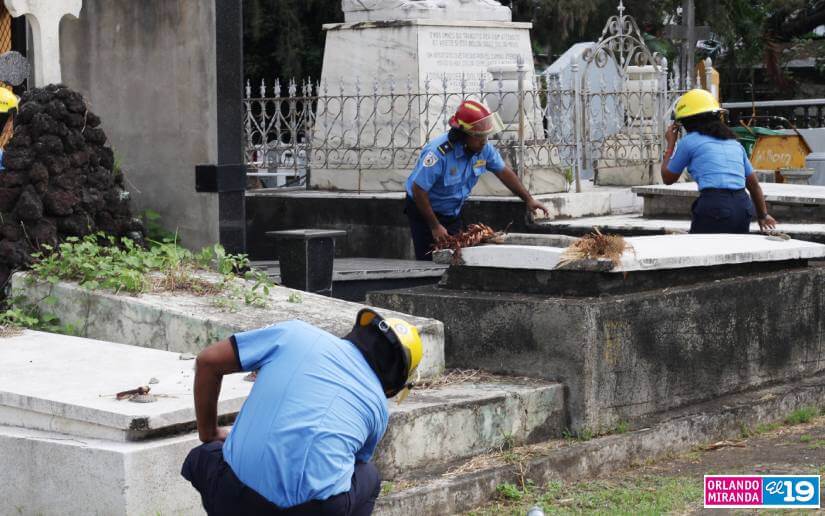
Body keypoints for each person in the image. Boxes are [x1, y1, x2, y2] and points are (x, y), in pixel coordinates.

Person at [181, 309, 424, 515]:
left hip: (233, 497)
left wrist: (209, 432)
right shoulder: (378, 407)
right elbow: (353, 465)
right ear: (395, 383)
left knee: (204, 455)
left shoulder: (295, 334)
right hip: (310, 511)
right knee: (368, 475)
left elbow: (208, 361)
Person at [404, 100, 550, 260]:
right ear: (463, 135)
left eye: (486, 136)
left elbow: (504, 172)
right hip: (425, 213)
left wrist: (528, 199)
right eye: (479, 136)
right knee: (429, 261)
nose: (484, 141)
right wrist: (435, 226)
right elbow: (419, 190)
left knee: (455, 259)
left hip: (452, 212)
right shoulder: (438, 153)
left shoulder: (483, 149)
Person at [661, 89, 777, 234]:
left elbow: (667, 178)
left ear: (687, 121)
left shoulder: (689, 142)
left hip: (714, 206)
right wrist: (763, 215)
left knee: (701, 247)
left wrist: (670, 144)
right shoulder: (734, 143)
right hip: (743, 206)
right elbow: (754, 185)